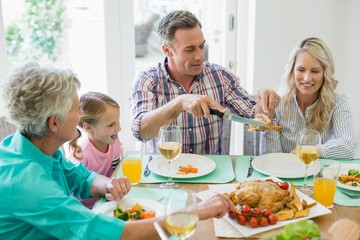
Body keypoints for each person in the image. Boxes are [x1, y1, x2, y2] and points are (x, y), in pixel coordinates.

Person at [0, 61, 236, 240]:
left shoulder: (28, 143)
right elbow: (106, 232)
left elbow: (76, 175)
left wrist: (107, 184)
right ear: (54, 123)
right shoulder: (26, 183)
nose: (81, 116)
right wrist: (196, 212)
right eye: (75, 109)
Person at [129, 10, 280, 154]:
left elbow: (253, 116)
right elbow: (141, 131)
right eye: (190, 49)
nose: (199, 56)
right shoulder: (147, 81)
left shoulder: (220, 76)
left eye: (201, 46)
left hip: (213, 173)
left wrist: (264, 103)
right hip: (164, 171)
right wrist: (179, 102)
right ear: (167, 50)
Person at [259, 37, 357, 159]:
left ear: (325, 74)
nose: (306, 78)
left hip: (319, 175)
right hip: (284, 175)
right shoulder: (277, 103)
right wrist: (269, 119)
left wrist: (310, 151)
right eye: (301, 70)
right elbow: (271, 158)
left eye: (315, 71)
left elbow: (348, 145)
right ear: (292, 71)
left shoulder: (338, 103)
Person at [67, 91, 123, 209]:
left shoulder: (113, 140)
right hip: (89, 209)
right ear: (88, 127)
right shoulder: (81, 155)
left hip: (109, 200)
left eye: (118, 121)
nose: (119, 128)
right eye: (111, 125)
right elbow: (70, 193)